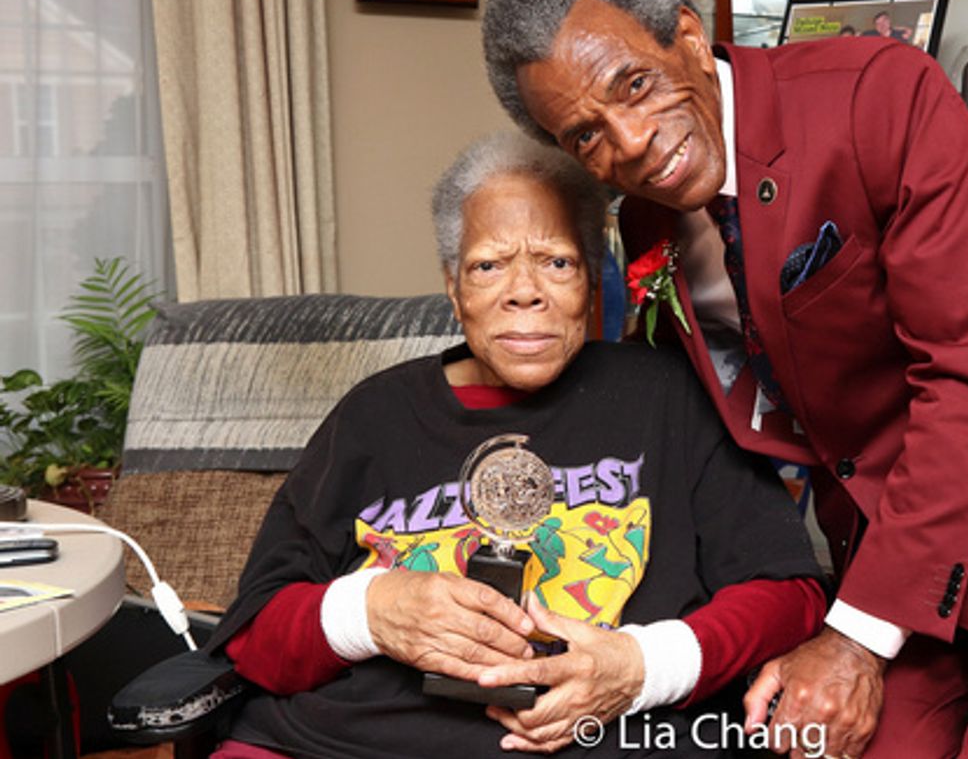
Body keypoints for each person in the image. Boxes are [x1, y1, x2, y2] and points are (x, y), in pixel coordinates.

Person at [482, 0, 968, 759]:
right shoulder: (645, 217)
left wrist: (852, 639)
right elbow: (713, 408)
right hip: (895, 559)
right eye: (585, 136)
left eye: (634, 85)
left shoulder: (882, 95)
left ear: (685, 35)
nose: (630, 143)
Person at [203, 132, 826, 758]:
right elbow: (255, 638)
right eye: (488, 265)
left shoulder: (668, 395)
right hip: (350, 742)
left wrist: (639, 667)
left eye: (556, 262)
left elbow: (788, 594)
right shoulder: (372, 416)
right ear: (453, 288)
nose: (523, 290)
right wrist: (370, 612)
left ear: (590, 283)